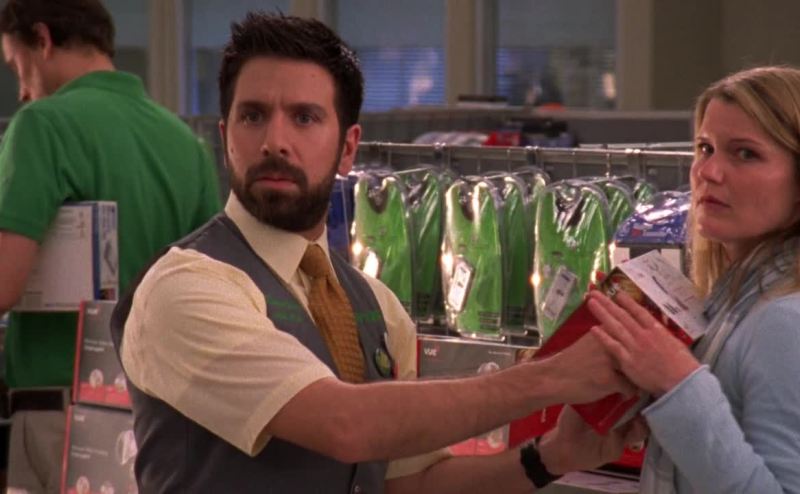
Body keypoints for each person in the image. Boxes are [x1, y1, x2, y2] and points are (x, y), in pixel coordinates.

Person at [112, 12, 645, 494]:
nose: (274, 141)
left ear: (348, 148)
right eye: (253, 116)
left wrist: (553, 456)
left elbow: (410, 485)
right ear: (225, 136)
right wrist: (552, 377)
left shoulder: (377, 306)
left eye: (304, 117)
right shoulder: (185, 287)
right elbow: (344, 425)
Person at [0, 0, 222, 491]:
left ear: (43, 39)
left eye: (17, 67)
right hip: (160, 426)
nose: (21, 90)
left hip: (62, 422)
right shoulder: (186, 145)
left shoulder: (41, 126)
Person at [587, 66, 800, 493]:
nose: (708, 172)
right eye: (705, 148)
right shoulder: (736, 300)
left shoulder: (783, 321)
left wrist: (676, 384)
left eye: (745, 154)